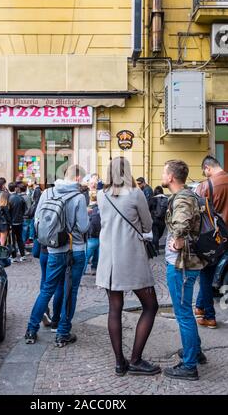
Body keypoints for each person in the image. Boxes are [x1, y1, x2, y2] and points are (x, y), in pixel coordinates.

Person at [96, 157, 161, 377]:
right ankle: (135, 359)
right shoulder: (135, 193)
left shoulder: (100, 195)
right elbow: (148, 224)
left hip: (108, 260)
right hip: (131, 257)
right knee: (150, 306)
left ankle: (119, 363)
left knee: (114, 308)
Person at [25, 164, 89, 347]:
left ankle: (31, 329)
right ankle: (62, 332)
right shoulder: (78, 197)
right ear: (77, 178)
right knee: (71, 290)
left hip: (53, 249)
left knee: (47, 289)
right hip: (74, 249)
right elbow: (84, 227)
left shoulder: (47, 193)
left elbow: (37, 219)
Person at [162, 159, 207, 381]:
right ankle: (195, 351)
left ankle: (189, 366)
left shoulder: (182, 198)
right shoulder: (190, 195)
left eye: (164, 172)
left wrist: (178, 239)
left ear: (171, 177)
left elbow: (181, 222)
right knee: (185, 311)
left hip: (181, 264)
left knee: (183, 314)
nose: (163, 175)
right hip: (189, 263)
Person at [195, 155, 228, 329]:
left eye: (205, 172)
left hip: (214, 238)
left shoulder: (205, 186)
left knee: (206, 276)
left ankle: (209, 316)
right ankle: (200, 307)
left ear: (208, 168)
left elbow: (197, 215)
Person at [8, 182, 27, 262]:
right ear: (15, 188)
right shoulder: (20, 198)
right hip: (19, 221)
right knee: (19, 239)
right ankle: (22, 255)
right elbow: (24, 210)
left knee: (12, 240)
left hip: (11, 222)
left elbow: (7, 211)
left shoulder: (8, 198)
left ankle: (14, 257)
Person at [84, 191, 101, 275]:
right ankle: (94, 269)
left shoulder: (90, 209)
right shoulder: (100, 209)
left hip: (92, 236)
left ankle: (82, 271)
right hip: (99, 236)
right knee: (96, 255)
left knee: (87, 255)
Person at [148, 186, 168, 254]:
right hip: (162, 220)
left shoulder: (152, 199)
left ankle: (156, 249)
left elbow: (148, 209)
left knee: (155, 234)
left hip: (154, 219)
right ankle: (155, 247)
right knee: (159, 234)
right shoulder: (166, 199)